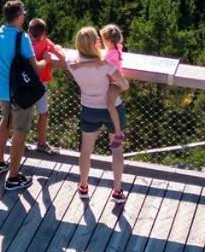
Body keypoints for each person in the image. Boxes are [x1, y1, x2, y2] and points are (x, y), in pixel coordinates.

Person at [64, 26, 130, 204]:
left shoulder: (72, 63)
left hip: (89, 109)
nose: (100, 42)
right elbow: (124, 85)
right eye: (97, 41)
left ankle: (83, 186)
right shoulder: (105, 66)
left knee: (86, 150)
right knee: (117, 150)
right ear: (94, 44)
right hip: (112, 109)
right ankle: (117, 191)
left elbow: (68, 56)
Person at [0, 0, 46, 192]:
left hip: (2, 89)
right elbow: (35, 68)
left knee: (5, 120)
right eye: (23, 13)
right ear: (19, 16)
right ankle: (13, 177)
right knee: (20, 132)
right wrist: (46, 60)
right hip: (19, 92)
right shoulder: (22, 38)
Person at [26, 17, 65, 154]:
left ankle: (17, 140)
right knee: (43, 113)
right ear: (43, 34)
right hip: (41, 83)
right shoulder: (45, 43)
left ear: (29, 31)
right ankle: (41, 143)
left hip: (25, 83)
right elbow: (61, 56)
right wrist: (58, 49)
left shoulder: (24, 42)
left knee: (23, 112)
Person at [99, 23, 127, 148]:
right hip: (116, 80)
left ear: (109, 41)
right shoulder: (117, 48)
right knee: (110, 105)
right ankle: (117, 132)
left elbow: (101, 64)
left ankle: (118, 133)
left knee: (110, 105)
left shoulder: (110, 55)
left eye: (104, 40)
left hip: (114, 83)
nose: (103, 43)